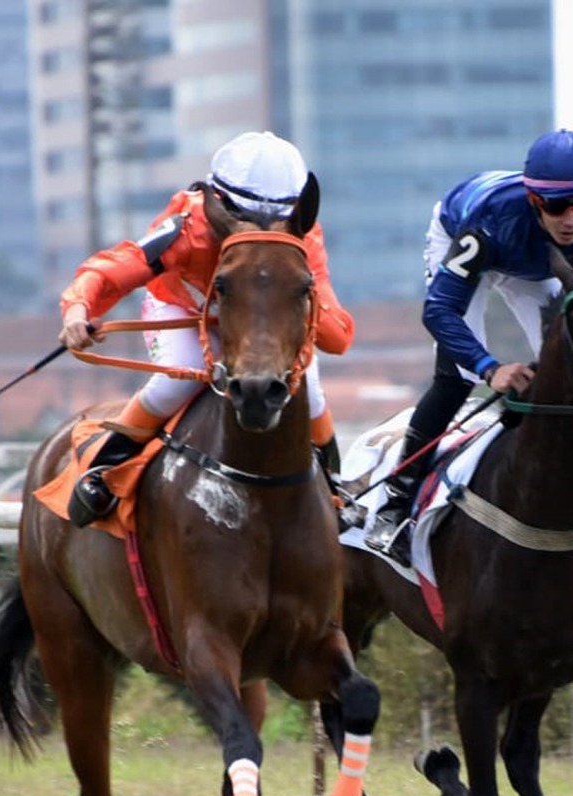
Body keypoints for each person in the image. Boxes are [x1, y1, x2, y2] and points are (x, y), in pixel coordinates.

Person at [364, 129, 573, 564]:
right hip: (474, 240)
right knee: (457, 377)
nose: (570, 219)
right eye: (555, 207)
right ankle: (396, 500)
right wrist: (491, 369)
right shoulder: (491, 222)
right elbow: (439, 312)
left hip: (534, 265)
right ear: (534, 200)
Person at [58, 131, 355, 527]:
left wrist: (310, 309)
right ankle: (105, 470)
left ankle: (334, 487)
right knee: (176, 379)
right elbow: (115, 268)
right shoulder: (187, 227)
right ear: (219, 206)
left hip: (260, 318)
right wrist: (78, 308)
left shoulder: (302, 235)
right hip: (183, 306)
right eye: (246, 221)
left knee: (310, 387)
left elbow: (337, 336)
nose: (264, 230)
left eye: (277, 221)